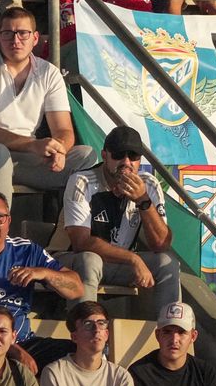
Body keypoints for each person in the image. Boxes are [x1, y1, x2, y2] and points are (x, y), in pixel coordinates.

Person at [0, 6, 94, 199]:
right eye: (8, 33)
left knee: (85, 156)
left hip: (21, 157)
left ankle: (71, 219)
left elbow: (63, 129)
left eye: (23, 33)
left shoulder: (49, 72)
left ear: (35, 38)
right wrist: (32, 145)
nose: (15, 40)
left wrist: (59, 149)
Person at [0, 189, 83, 371]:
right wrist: (12, 350)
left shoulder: (26, 251)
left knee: (79, 353)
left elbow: (77, 289)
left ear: (9, 221)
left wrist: (44, 273)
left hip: (24, 340)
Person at [57, 126, 178, 308]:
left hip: (118, 263)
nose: (126, 162)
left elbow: (161, 244)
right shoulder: (82, 181)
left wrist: (143, 201)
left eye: (133, 156)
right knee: (90, 259)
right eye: (119, 155)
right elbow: (81, 243)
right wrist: (133, 259)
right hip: (69, 260)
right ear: (104, 155)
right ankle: (86, 322)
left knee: (167, 262)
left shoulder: (148, 184)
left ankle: (172, 324)